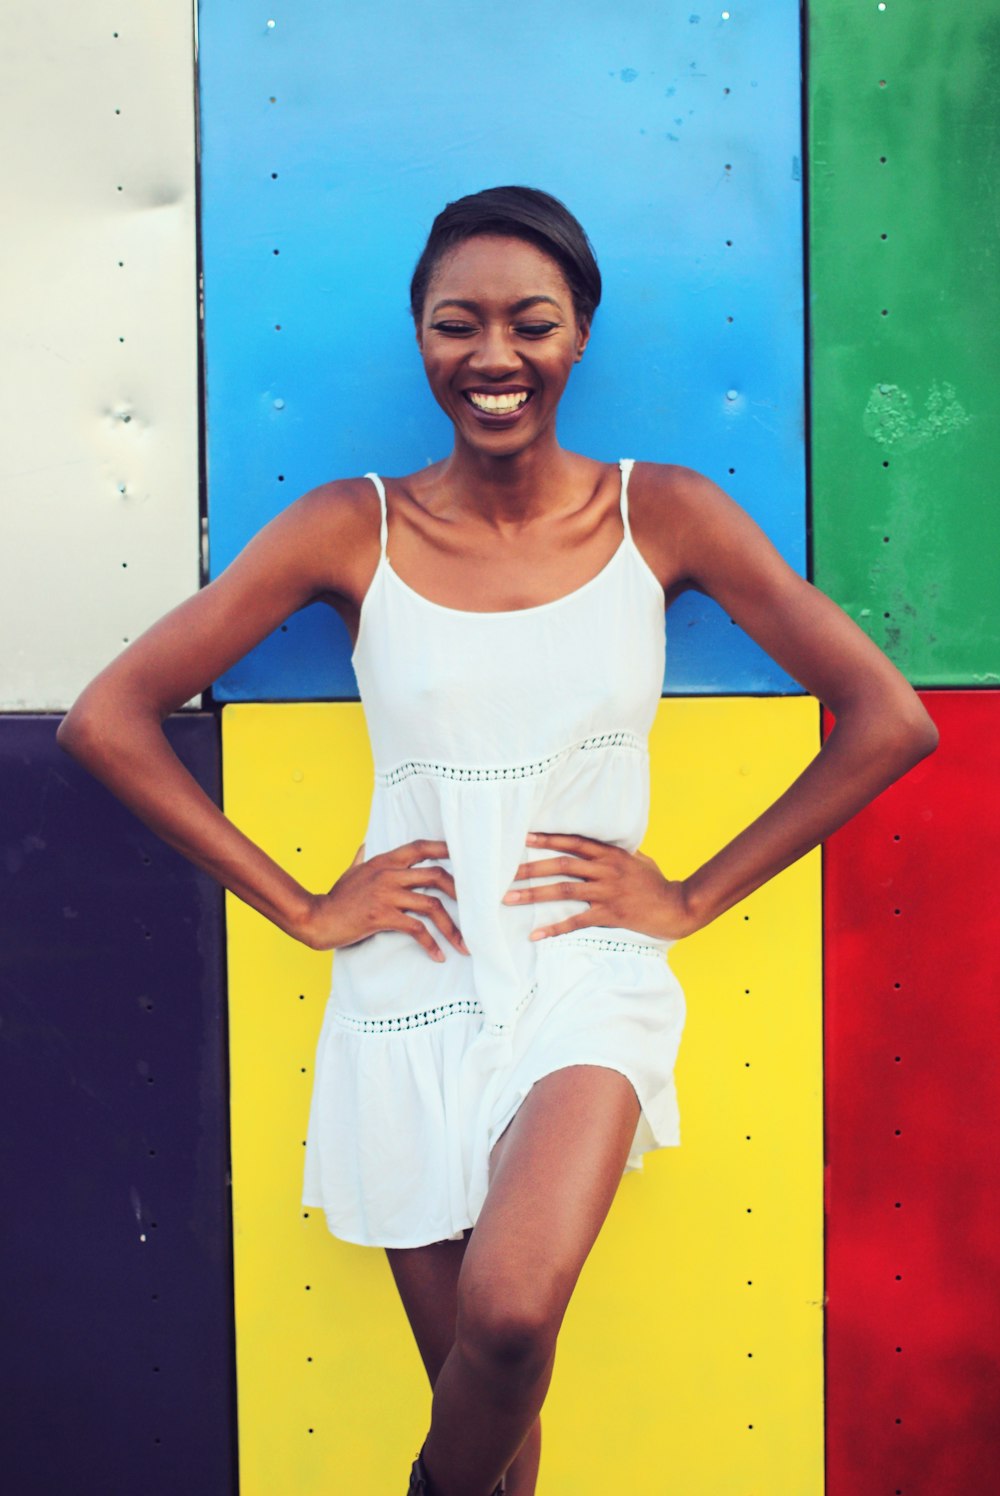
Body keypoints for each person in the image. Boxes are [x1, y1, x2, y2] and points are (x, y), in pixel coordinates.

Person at [57, 185, 938, 1496]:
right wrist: (301, 905)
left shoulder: (667, 516)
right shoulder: (349, 528)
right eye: (456, 324)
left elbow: (888, 720)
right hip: (410, 988)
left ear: (580, 332)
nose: (493, 357)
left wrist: (692, 893)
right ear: (420, 338)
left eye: (530, 322)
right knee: (491, 1411)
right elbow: (106, 720)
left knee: (514, 1314)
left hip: (586, 975)